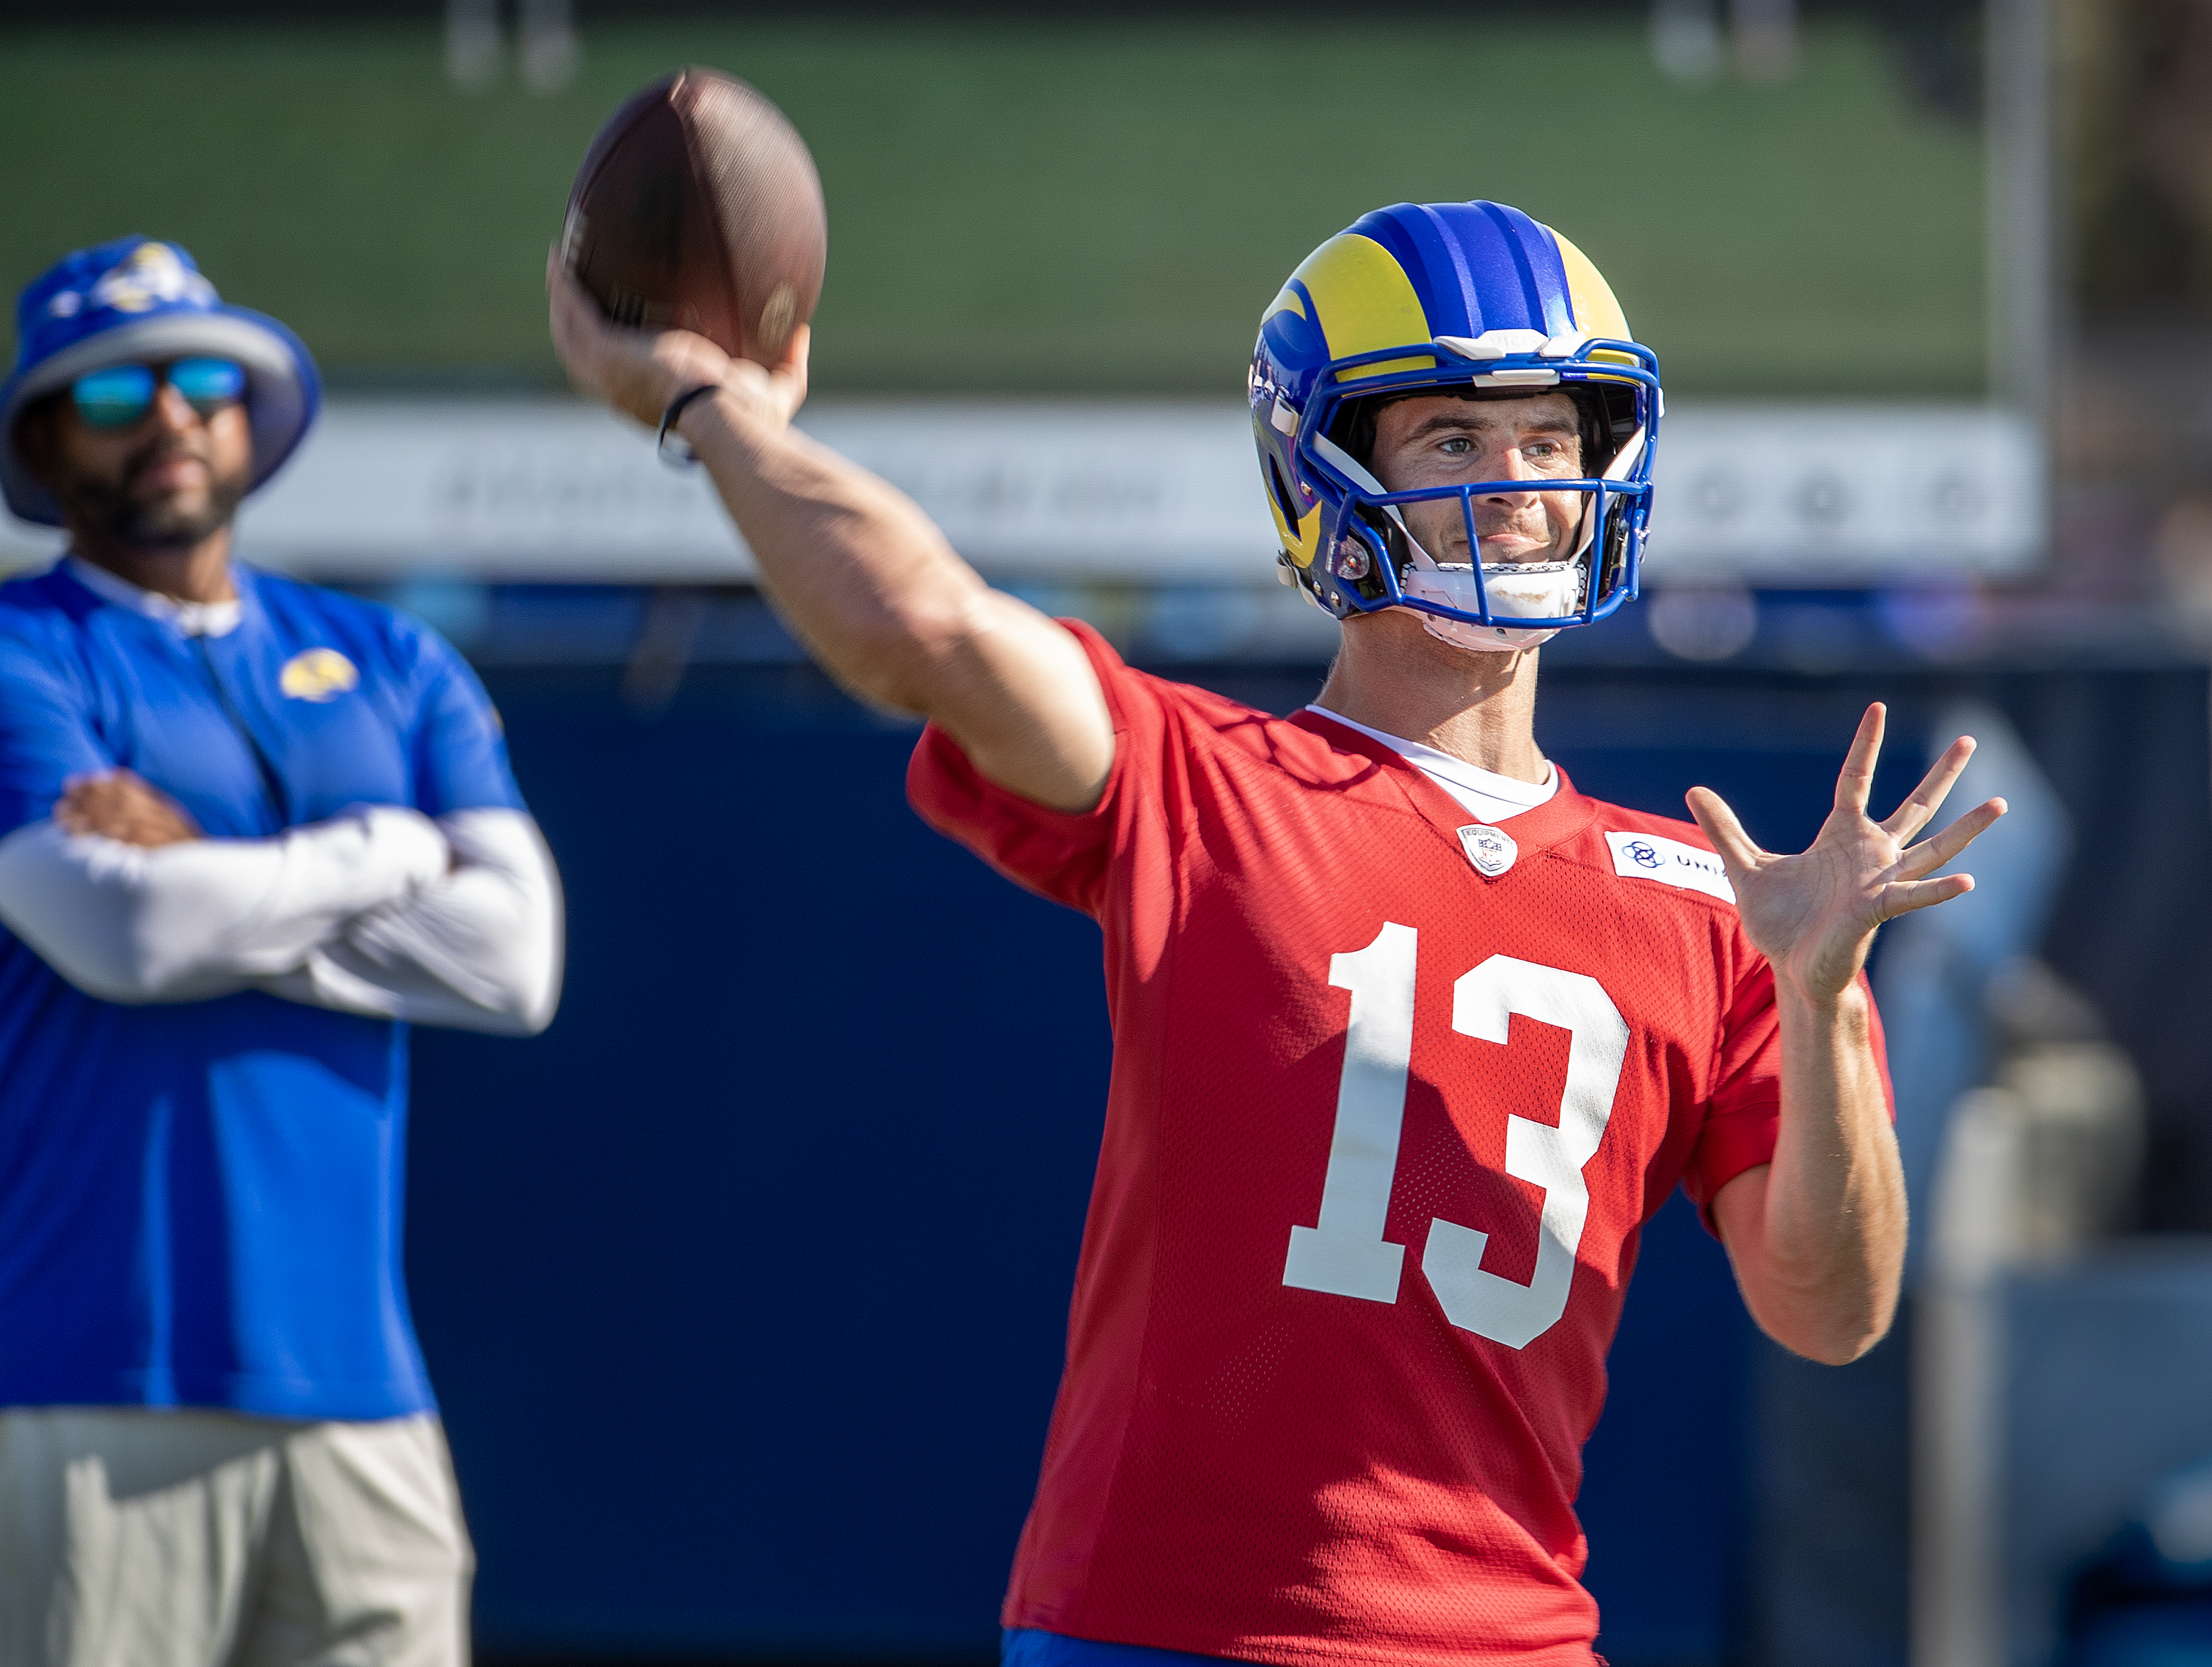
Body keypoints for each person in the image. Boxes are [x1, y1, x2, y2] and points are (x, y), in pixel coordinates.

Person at [547, 200, 2003, 1666]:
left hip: (1512, 1642)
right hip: (1167, 1630)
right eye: (1452, 441)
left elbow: (1833, 1310)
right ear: (1325, 473)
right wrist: (713, 410)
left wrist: (1819, 1002)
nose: (1518, 485)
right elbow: (919, 628)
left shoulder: (1724, 905)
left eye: (1553, 440)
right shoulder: (1208, 782)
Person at [0, 236, 564, 1665]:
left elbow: (514, 963)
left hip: (364, 1396)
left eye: (202, 377)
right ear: (47, 437)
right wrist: (387, 850)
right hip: (87, 1377)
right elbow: (120, 931)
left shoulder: (390, 657)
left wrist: (213, 873)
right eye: (117, 391)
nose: (173, 415)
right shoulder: (20, 654)